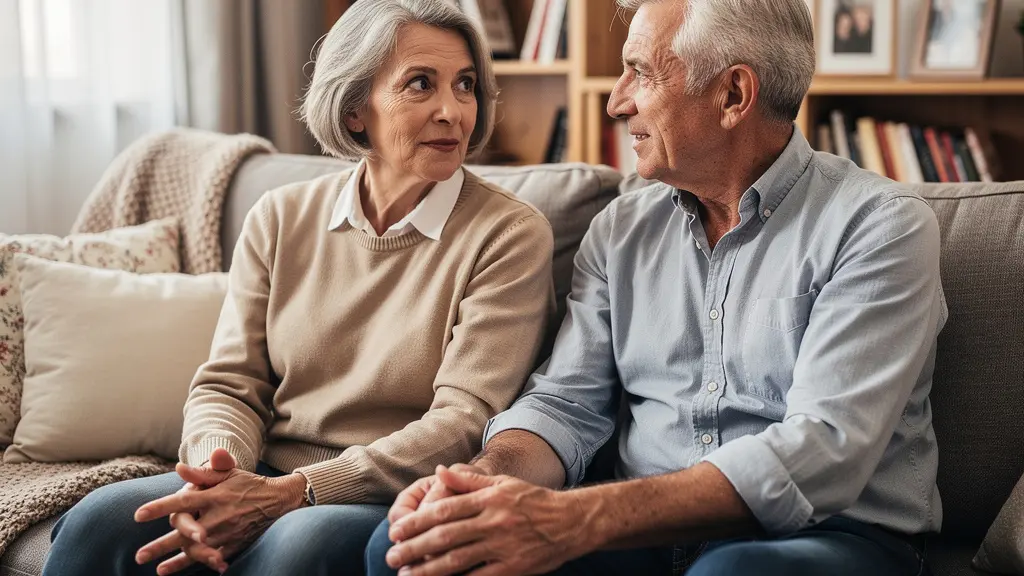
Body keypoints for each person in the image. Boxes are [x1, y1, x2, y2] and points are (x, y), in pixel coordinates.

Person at [366, 0, 945, 575]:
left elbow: (824, 452)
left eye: (640, 72)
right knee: (424, 549)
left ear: (733, 96)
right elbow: (564, 406)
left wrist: (573, 519)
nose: (618, 101)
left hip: (826, 536)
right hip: (636, 533)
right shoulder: (621, 231)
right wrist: (483, 485)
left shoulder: (878, 226)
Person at [42, 1, 554, 575]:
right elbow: (230, 383)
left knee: (301, 546)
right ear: (356, 109)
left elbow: (462, 422)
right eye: (420, 84)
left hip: (378, 494)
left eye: (465, 86)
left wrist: (296, 493)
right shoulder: (280, 217)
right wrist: (222, 477)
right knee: (98, 519)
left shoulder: (510, 234)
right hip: (260, 471)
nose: (452, 111)